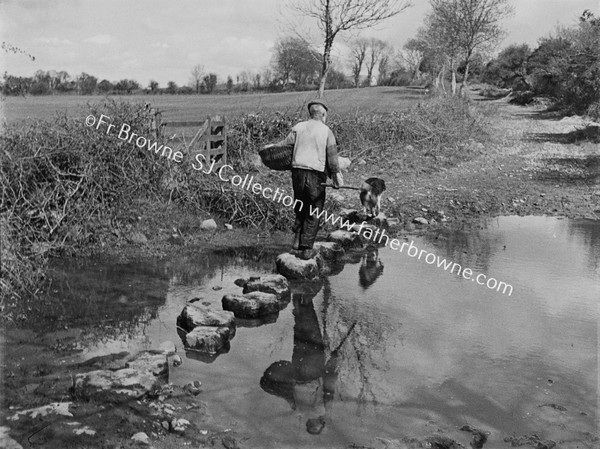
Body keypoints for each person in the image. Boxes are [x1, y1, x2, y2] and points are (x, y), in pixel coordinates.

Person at [272, 99, 344, 260]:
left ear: (310, 114)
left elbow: (284, 146)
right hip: (315, 174)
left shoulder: (298, 127)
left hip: (297, 172)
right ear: (323, 114)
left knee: (300, 206)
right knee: (314, 210)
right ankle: (306, 249)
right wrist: (336, 178)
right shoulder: (326, 131)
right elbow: (332, 158)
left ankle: (296, 243)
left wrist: (270, 149)